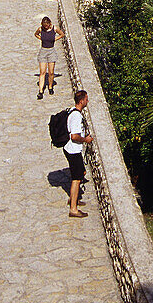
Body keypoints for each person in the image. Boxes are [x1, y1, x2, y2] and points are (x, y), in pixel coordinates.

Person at [64, 90, 92, 218]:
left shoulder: (72, 111)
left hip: (71, 149)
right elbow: (74, 136)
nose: (87, 101)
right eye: (86, 99)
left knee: (81, 173)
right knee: (76, 179)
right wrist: (85, 140)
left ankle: (73, 198)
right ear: (81, 101)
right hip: (73, 150)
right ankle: (73, 209)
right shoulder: (76, 116)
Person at [34, 15, 64, 98]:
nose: (46, 27)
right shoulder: (41, 29)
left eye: (47, 26)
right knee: (42, 72)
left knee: (51, 72)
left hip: (51, 51)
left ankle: (50, 87)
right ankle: (40, 91)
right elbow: (35, 34)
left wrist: (55, 39)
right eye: (44, 26)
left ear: (49, 24)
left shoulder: (54, 29)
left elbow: (62, 34)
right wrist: (41, 38)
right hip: (43, 51)